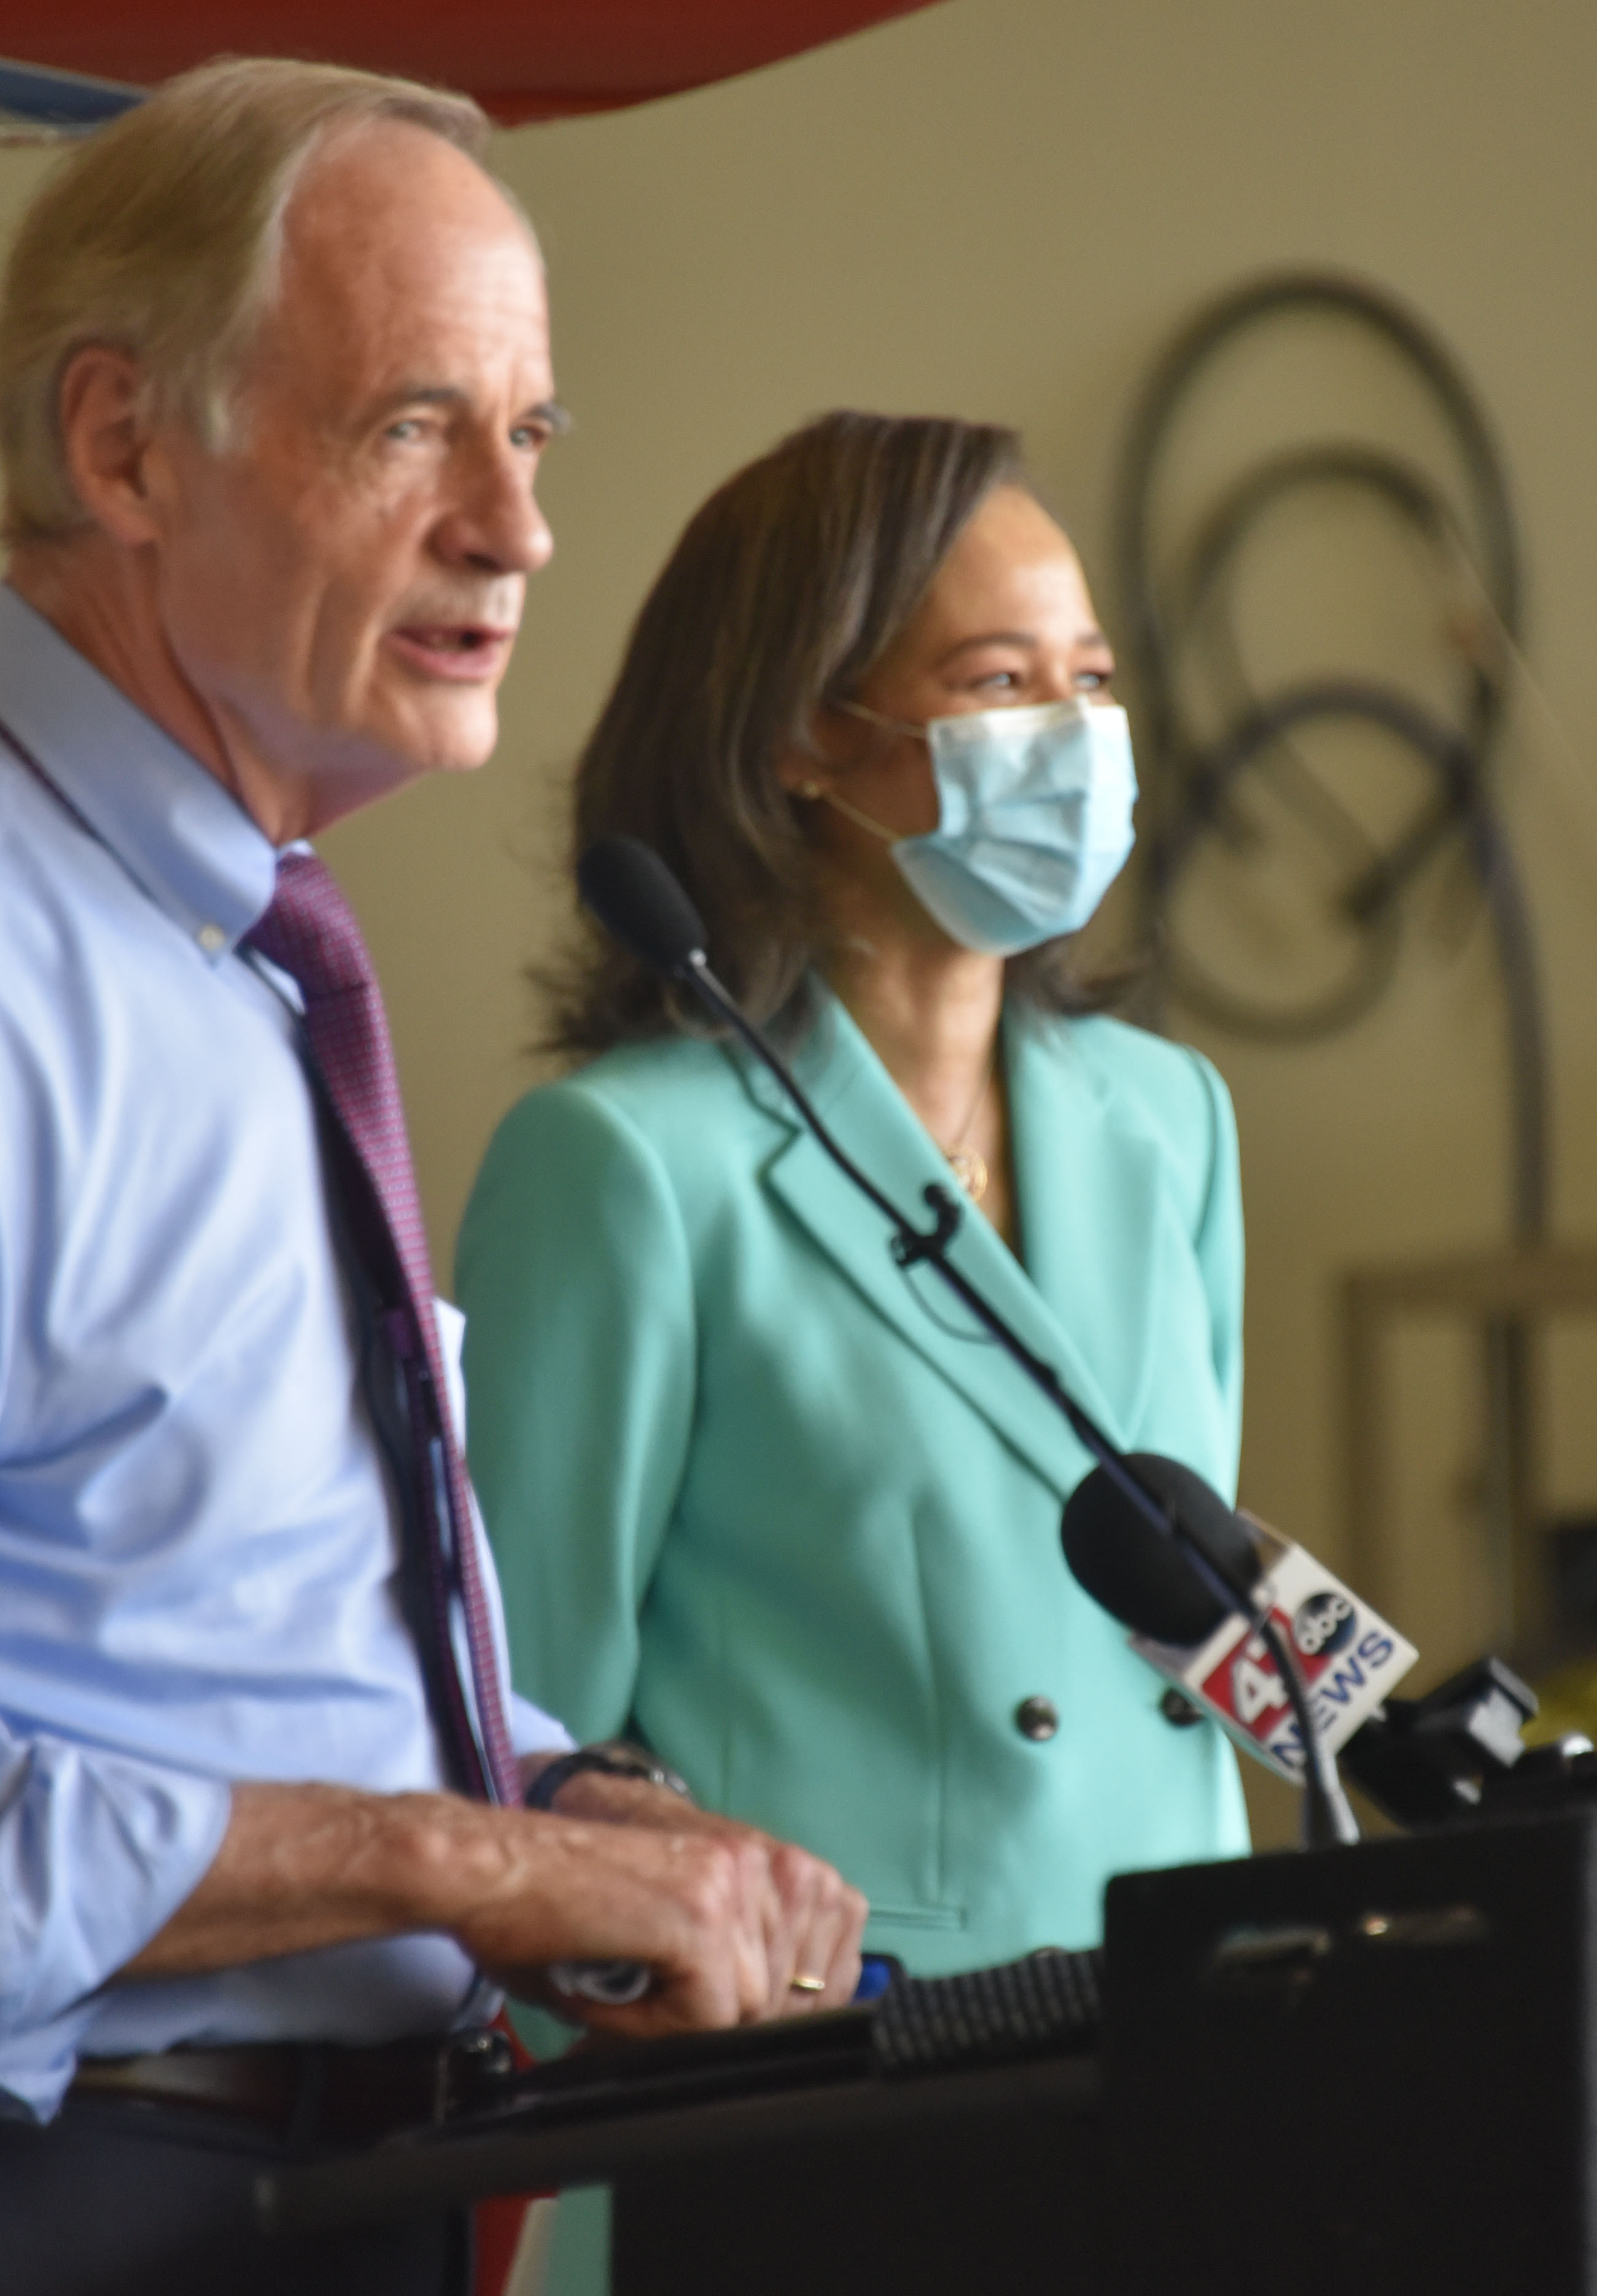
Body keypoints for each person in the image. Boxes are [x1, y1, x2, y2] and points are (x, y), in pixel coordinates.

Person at [0, 63, 862, 2296]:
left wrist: (560, 1812)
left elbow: (215, 1644)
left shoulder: (233, 963)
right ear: (122, 446)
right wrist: (459, 1868)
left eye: (529, 438)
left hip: (316, 2195)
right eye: (414, 422)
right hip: (7, 2199)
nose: (516, 531)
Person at [459, 406, 1249, 1995]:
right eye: (997, 683)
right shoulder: (622, 1165)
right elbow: (513, 1739)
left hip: (1195, 2032)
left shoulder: (1171, 1119)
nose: (1074, 736)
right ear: (799, 737)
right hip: (831, 2086)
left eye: (1088, 680)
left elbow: (1187, 1620)